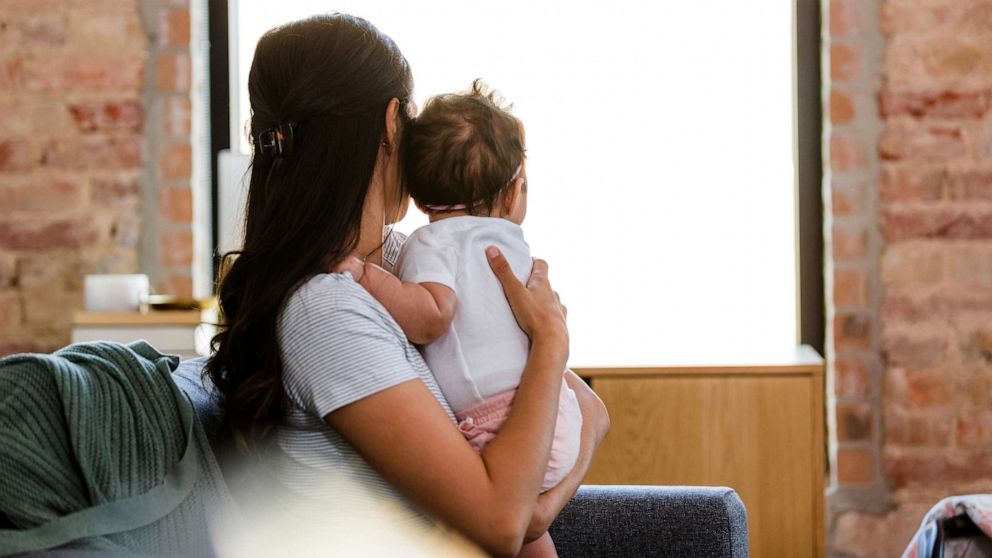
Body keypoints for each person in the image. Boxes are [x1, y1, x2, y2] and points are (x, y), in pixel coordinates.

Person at [204, 13, 610, 558]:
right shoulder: (326, 308)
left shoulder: (398, 261)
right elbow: (504, 520)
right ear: (394, 123)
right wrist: (553, 343)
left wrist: (539, 494)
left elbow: (590, 410)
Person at [338, 81, 580, 556]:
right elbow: (445, 316)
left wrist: (368, 277)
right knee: (530, 535)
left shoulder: (432, 243)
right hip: (553, 412)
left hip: (500, 423)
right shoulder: (511, 244)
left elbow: (430, 315)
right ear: (511, 194)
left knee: (467, 523)